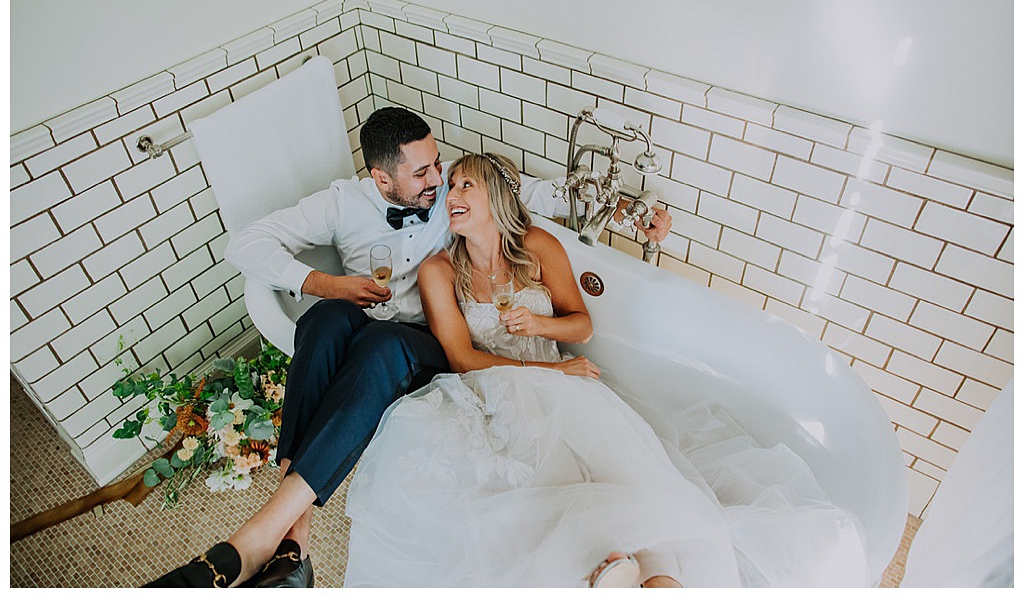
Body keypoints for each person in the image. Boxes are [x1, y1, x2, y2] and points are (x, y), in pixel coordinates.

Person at [142, 107, 672, 588]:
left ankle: (264, 536)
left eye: (438, 164)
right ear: (381, 178)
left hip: (422, 342)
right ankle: (291, 540)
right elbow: (245, 244)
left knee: (382, 345)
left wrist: (632, 214)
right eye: (423, 173)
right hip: (368, 324)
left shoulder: (454, 192)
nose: (438, 181)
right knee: (323, 320)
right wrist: (330, 285)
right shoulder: (343, 202)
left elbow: (534, 195)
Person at [342, 153, 870, 587]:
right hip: (496, 391)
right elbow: (462, 359)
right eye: (450, 184)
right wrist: (550, 373)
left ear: (496, 196)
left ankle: (660, 577)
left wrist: (541, 327)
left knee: (627, 475)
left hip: (561, 381)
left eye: (466, 184)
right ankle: (611, 564)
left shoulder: (538, 246)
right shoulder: (439, 269)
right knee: (559, 483)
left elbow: (581, 326)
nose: (451, 193)